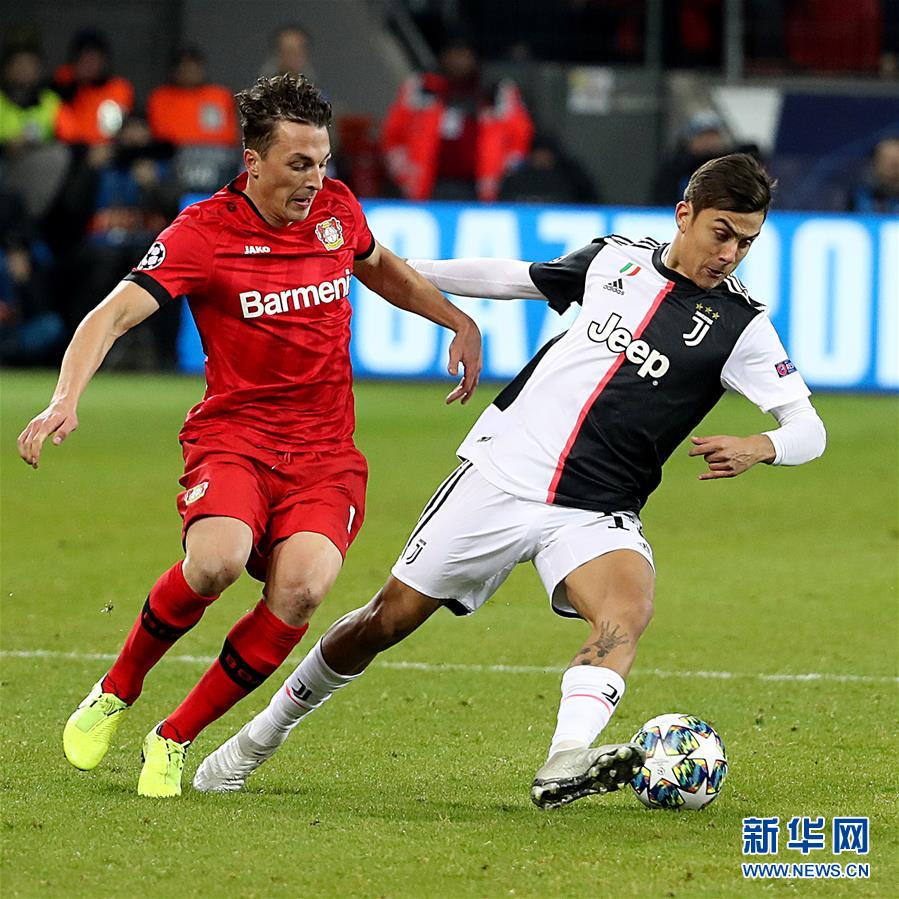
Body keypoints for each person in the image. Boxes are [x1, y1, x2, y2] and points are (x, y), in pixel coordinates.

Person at [194, 153, 826, 809]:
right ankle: (255, 740)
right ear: (684, 215)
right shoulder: (614, 261)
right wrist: (385, 265)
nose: (730, 254)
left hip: (595, 509)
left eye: (746, 241)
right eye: (721, 233)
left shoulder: (740, 326)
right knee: (384, 621)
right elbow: (510, 277)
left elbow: (808, 427)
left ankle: (565, 759)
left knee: (626, 611)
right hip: (500, 478)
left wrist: (761, 445)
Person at [16, 74, 481, 798]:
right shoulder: (203, 233)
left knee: (302, 590)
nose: (314, 180)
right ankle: (117, 688)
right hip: (235, 438)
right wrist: (63, 399)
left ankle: (173, 737)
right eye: (298, 164)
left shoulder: (335, 211)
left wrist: (456, 318)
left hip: (325, 455)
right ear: (253, 161)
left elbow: (381, 267)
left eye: (322, 162)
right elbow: (109, 316)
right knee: (216, 563)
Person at [381, 36, 533, 201]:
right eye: (453, 54)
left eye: (463, 55)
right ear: (443, 56)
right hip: (426, 185)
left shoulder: (496, 92)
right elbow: (393, 135)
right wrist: (405, 174)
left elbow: (521, 136)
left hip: (481, 188)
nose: (458, 61)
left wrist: (502, 175)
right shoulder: (421, 87)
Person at [52, 29, 134, 146]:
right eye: (83, 58)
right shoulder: (60, 88)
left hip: (111, 149)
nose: (89, 64)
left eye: (94, 58)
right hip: (73, 151)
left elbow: (131, 125)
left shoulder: (119, 89)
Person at [848, 136, 899, 214]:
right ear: (875, 163)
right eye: (887, 161)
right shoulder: (861, 194)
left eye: (897, 161)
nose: (894, 168)